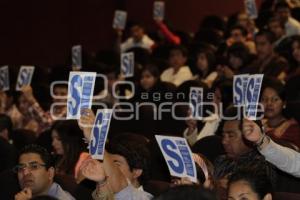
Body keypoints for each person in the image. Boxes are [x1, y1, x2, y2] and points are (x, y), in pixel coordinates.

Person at [78, 109, 153, 200]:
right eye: (107, 162)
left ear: (136, 172)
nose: (108, 167)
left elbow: (120, 185)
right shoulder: (100, 192)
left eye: (116, 164)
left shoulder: (143, 198)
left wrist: (95, 140)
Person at [261, 78, 300, 148]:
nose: (269, 103)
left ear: (284, 103)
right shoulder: (258, 125)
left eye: (275, 99)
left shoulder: (293, 130)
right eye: (264, 99)